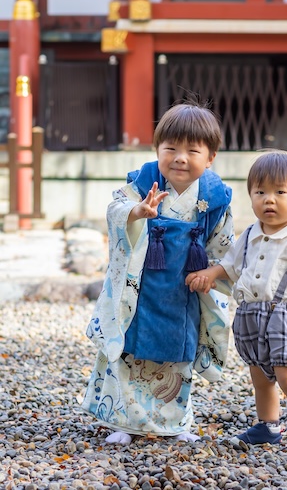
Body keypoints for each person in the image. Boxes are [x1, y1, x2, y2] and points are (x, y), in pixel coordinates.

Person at [82, 102, 234, 444]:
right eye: (171, 148)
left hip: (183, 292)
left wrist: (212, 272)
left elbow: (226, 247)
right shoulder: (143, 182)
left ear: (210, 158)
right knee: (130, 352)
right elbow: (115, 209)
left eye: (193, 150)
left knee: (178, 355)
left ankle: (174, 424)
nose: (180, 157)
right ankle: (126, 422)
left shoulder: (215, 197)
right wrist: (136, 211)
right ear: (157, 149)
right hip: (140, 289)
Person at [186, 150, 287, 450]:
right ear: (250, 196)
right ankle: (268, 425)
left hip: (286, 315)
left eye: (280, 192)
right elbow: (231, 265)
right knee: (261, 376)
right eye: (260, 192)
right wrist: (209, 275)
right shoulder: (250, 234)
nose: (269, 200)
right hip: (251, 315)